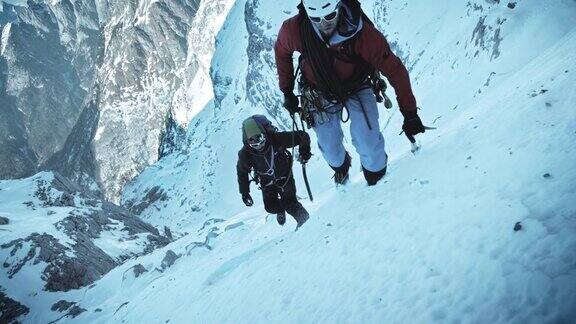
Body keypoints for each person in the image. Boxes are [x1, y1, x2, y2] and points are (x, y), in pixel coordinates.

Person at [274, 0, 427, 186]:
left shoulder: (363, 34)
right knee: (330, 149)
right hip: (318, 91)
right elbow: (281, 51)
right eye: (316, 18)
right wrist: (287, 90)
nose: (324, 23)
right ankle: (341, 167)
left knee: (369, 144)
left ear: (339, 7)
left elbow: (395, 70)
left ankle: (378, 181)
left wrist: (410, 113)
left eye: (329, 16)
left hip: (357, 84)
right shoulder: (295, 30)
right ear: (307, 14)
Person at [237, 115, 311, 228]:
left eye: (260, 139)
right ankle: (281, 210)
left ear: (264, 135)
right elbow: (242, 172)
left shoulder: (276, 139)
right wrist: (245, 193)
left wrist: (304, 151)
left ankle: (306, 223)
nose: (258, 145)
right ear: (247, 142)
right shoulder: (245, 154)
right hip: (266, 180)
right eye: (253, 143)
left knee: (290, 203)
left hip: (284, 176)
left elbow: (302, 136)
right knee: (270, 207)